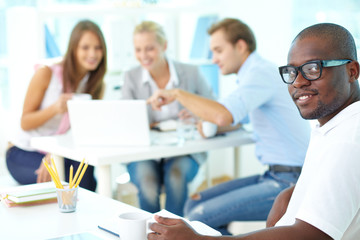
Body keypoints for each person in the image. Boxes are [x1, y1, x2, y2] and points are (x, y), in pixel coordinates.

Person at [147, 22, 360, 240]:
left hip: (283, 176)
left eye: (313, 68)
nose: (298, 81)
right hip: (282, 177)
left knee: (198, 215)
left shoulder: (348, 140)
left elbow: (223, 115)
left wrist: (176, 94)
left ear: (352, 71)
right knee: (195, 202)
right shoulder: (332, 123)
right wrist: (294, 191)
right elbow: (236, 119)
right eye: (291, 72)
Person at [121, 21, 215, 216]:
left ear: (164, 46)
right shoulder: (130, 77)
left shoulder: (191, 73)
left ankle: (174, 233)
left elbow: (215, 109)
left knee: (176, 177)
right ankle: (152, 232)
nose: (143, 56)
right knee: (147, 182)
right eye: (138, 50)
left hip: (184, 151)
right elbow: (125, 121)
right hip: (145, 153)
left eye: (150, 48)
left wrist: (197, 113)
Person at [6, 20, 107, 192]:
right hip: (24, 152)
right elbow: (25, 122)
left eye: (98, 48)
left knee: (86, 173)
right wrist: (55, 109)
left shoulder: (95, 85)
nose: (92, 53)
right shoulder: (47, 73)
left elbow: (82, 131)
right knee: (64, 181)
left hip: (59, 152)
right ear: (73, 49)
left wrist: (54, 154)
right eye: (85, 47)